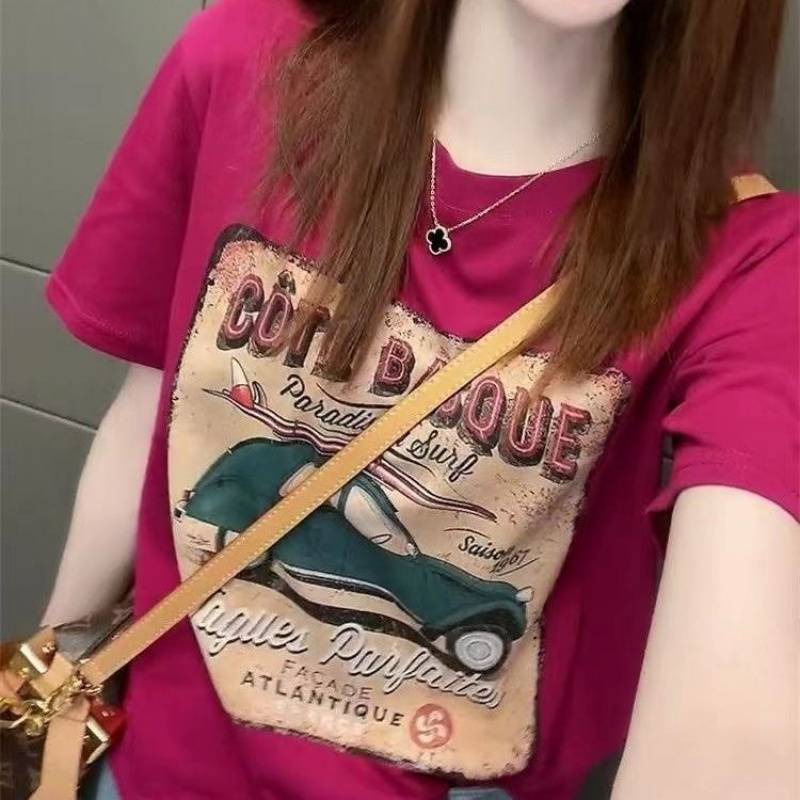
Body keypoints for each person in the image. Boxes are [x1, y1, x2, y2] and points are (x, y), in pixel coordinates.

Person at [42, 0, 798, 799]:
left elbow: (734, 703)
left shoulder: (752, 263)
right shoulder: (238, 63)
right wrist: (48, 688)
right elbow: (151, 412)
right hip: (152, 773)